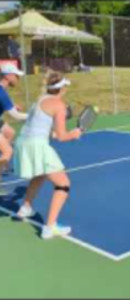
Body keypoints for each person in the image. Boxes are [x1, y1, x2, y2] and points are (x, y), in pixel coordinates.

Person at [14, 72, 82, 239]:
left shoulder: (39, 99)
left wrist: (51, 134)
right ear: (62, 88)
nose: (66, 88)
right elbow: (62, 136)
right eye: (65, 86)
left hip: (23, 142)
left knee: (40, 174)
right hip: (37, 145)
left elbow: (37, 124)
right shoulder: (59, 105)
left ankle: (26, 207)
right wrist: (75, 133)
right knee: (63, 184)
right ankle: (49, 227)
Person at [0, 63, 28, 195]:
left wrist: (12, 106)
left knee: (10, 133)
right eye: (16, 75)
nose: (18, 78)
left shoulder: (2, 90)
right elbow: (17, 117)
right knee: (8, 152)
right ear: (8, 76)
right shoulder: (1, 93)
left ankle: (2, 168)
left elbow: (6, 105)